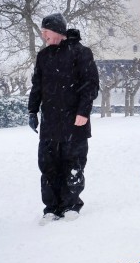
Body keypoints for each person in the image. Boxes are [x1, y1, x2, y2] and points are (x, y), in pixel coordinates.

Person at [28, 13, 100, 224]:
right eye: (42, 32)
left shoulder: (81, 53)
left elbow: (90, 85)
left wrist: (83, 112)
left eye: (45, 31)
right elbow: (37, 86)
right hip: (50, 122)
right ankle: (51, 208)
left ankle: (71, 204)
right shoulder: (43, 57)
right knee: (48, 165)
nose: (43, 35)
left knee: (73, 162)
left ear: (58, 30)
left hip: (74, 121)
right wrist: (32, 111)